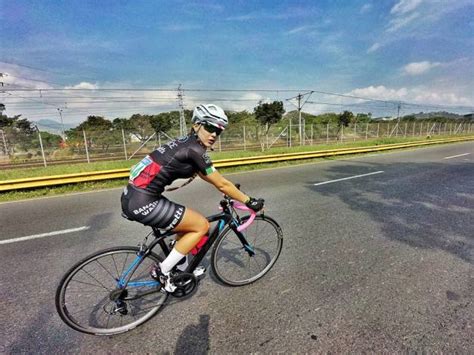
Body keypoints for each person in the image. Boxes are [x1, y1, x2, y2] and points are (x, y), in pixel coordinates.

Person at [121, 104, 264, 292]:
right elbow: (221, 183)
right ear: (196, 125)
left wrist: (228, 190)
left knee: (187, 224)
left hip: (134, 196)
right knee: (201, 225)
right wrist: (249, 201)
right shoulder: (195, 150)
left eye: (218, 131)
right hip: (143, 201)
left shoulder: (186, 144)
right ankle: (162, 271)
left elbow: (212, 178)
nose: (214, 134)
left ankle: (180, 270)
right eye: (210, 127)